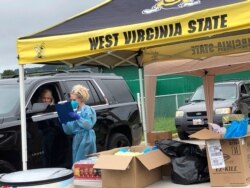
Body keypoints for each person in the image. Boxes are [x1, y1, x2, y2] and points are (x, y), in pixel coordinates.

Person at [62, 84, 97, 163]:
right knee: (77, 161)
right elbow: (69, 131)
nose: (72, 102)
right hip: (77, 139)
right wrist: (65, 121)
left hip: (87, 138)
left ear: (81, 98)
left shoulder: (88, 110)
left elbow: (88, 125)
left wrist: (78, 117)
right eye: (71, 100)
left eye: (74, 100)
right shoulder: (74, 111)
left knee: (86, 161)